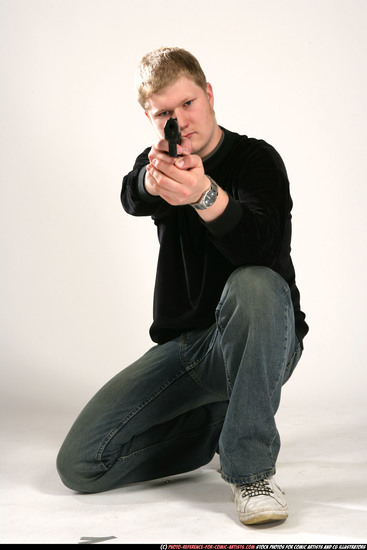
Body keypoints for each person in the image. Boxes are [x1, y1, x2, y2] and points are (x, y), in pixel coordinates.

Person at [57, 46, 309, 526]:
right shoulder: (162, 164)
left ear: (209, 94)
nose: (181, 121)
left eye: (188, 104)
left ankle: (250, 469)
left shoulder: (257, 160)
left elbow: (261, 252)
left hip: (263, 338)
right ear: (150, 118)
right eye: (164, 114)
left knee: (254, 284)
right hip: (187, 351)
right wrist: (155, 183)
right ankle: (222, 428)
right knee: (81, 465)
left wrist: (203, 194)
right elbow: (132, 195)